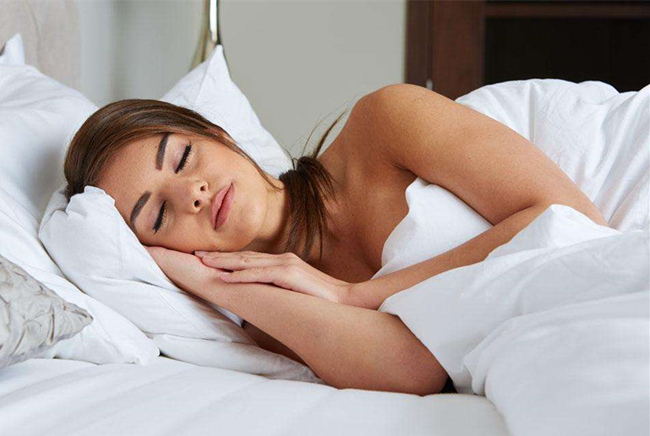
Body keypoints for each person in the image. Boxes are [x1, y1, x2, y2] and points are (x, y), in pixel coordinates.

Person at [63, 83, 607, 396]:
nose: (192, 194)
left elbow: (567, 216)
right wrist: (211, 282)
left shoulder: (383, 123)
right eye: (159, 214)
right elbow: (415, 371)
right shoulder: (266, 320)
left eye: (183, 158)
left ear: (218, 134)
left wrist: (357, 295)